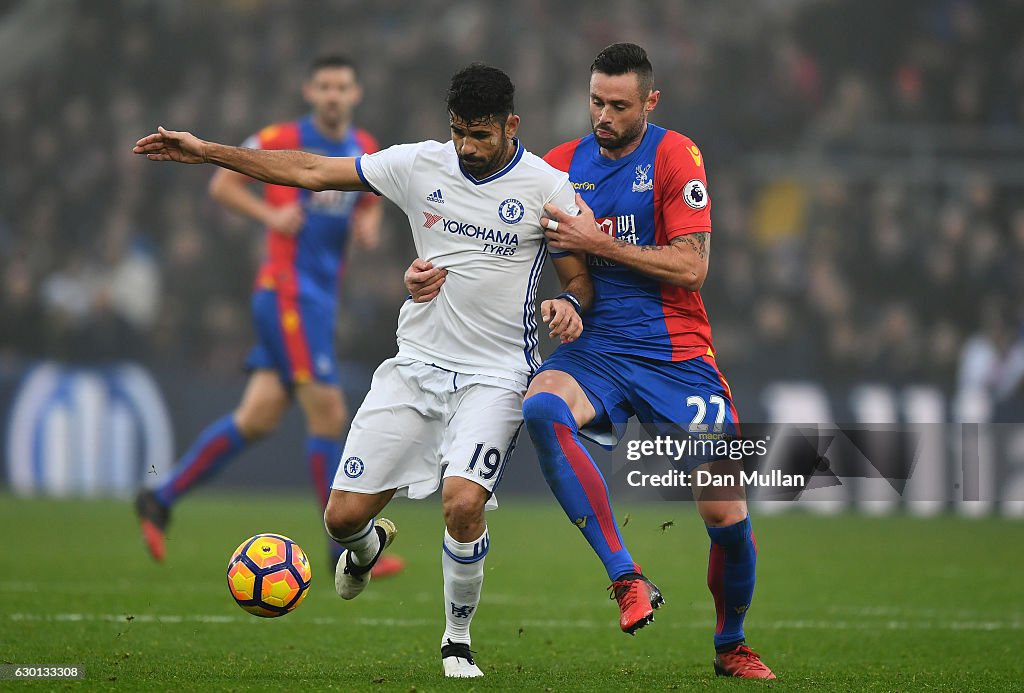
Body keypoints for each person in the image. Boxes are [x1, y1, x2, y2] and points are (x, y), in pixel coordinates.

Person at [133, 63, 591, 679]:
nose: (466, 147)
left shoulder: (548, 187)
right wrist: (210, 153)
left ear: (511, 126)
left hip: (498, 374)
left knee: (462, 503)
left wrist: (570, 304)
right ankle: (367, 547)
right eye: (458, 131)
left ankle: (457, 640)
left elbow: (581, 277)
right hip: (416, 367)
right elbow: (310, 170)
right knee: (343, 518)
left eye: (480, 135)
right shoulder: (419, 164)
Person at [405, 44, 775, 679]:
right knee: (543, 405)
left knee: (726, 514)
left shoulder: (675, 155)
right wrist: (561, 302)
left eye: (620, 105)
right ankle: (626, 577)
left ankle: (731, 643)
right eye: (596, 102)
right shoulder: (558, 168)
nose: (604, 115)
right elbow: (499, 248)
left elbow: (693, 266)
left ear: (650, 103)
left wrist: (596, 242)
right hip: (597, 350)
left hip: (676, 354)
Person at [133, 55, 403, 580]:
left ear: (356, 93)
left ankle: (160, 496)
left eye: (341, 87)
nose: (331, 95)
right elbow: (222, 186)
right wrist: (270, 214)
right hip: (287, 293)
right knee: (328, 413)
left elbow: (368, 198)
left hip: (321, 297)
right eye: (323, 86)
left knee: (256, 418)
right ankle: (340, 551)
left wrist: (368, 225)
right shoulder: (280, 136)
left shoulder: (363, 145)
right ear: (309, 90)